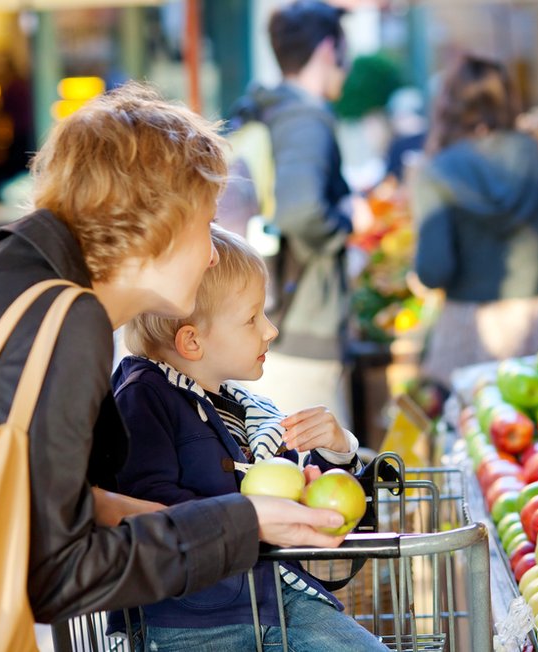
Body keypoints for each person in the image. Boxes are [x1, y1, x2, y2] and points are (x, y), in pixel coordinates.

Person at [0, 82, 348, 627]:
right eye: (205, 224)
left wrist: (231, 518)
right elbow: (60, 572)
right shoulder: (66, 320)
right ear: (156, 223)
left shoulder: (9, 277)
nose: (213, 255)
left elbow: (44, 501)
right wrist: (242, 522)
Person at [111, 227, 386, 650]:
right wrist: (246, 516)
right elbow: (150, 508)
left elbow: (305, 493)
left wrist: (336, 449)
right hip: (192, 622)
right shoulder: (143, 399)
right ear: (192, 341)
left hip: (282, 599)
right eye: (252, 318)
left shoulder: (242, 406)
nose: (271, 330)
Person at [232, 0, 369, 426]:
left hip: (277, 322)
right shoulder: (305, 118)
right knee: (320, 474)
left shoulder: (267, 109)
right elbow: (302, 211)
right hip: (302, 331)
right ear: (329, 50)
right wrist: (347, 220)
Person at [411, 54, 538, 389]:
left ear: (448, 104)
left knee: (472, 431)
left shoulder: (438, 170)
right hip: (537, 321)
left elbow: (434, 270)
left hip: (468, 328)